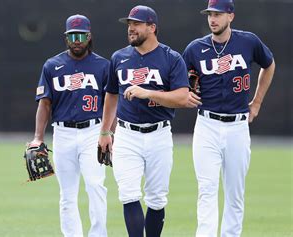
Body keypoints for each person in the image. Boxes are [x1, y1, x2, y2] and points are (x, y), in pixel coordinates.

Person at [98, 5, 200, 237]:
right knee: (129, 194)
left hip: (159, 135)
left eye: (136, 24)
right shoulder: (119, 57)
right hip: (126, 134)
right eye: (129, 25)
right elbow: (111, 94)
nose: (131, 28)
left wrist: (148, 92)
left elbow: (183, 97)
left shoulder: (171, 58)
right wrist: (105, 131)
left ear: (152, 27)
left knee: (156, 198)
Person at [182, 0, 275, 236]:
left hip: (237, 127)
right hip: (206, 125)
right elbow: (182, 81)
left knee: (235, 192)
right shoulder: (195, 48)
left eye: (218, 14)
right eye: (210, 14)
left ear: (230, 16)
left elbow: (269, 64)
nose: (213, 19)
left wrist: (257, 102)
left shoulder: (248, 41)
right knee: (207, 189)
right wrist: (186, 92)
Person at [29, 14, 109, 237]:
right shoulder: (52, 65)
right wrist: (38, 137)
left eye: (80, 35)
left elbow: (112, 103)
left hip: (93, 130)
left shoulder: (103, 66)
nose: (76, 40)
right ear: (66, 37)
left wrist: (109, 132)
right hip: (63, 133)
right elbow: (44, 104)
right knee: (67, 195)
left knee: (95, 186)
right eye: (72, 35)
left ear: (89, 36)